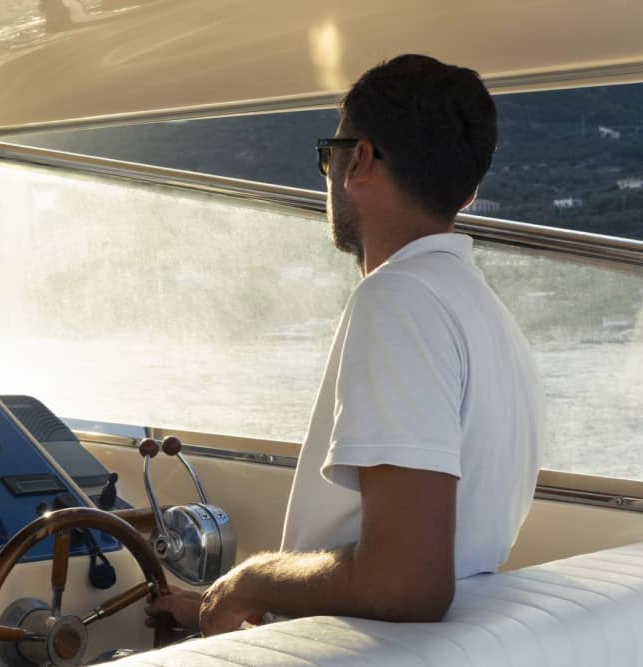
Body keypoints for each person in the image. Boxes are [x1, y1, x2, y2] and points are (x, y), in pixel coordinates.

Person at [145, 53, 544, 636]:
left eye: (328, 154)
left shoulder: (398, 301)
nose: (327, 172)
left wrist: (247, 581)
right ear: (469, 187)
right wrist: (218, 604)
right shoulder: (485, 312)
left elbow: (405, 582)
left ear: (358, 160)